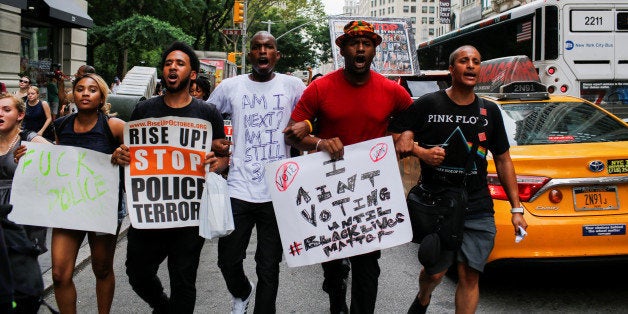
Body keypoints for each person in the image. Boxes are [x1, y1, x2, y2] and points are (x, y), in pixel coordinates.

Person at [283, 20, 413, 314]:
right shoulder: (320, 88)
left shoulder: (392, 91)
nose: (360, 48)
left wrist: (407, 134)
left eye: (367, 43)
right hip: (330, 191)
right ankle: (336, 301)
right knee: (333, 268)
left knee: (368, 267)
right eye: (354, 43)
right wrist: (320, 143)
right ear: (342, 49)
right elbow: (293, 132)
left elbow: (413, 119)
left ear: (374, 50)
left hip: (370, 192)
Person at [388, 45, 528, 314]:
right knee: (436, 274)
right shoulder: (429, 104)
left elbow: (503, 159)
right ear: (452, 69)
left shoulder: (490, 111)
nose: (471, 66)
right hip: (437, 204)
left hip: (477, 204)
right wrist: (421, 152)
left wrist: (516, 208)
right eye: (464, 61)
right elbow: (393, 135)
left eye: (476, 61)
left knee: (469, 275)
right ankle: (424, 296)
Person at [113, 41, 226, 314]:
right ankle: (162, 307)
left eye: (180, 63)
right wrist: (120, 156)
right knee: (137, 272)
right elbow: (132, 153)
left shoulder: (207, 113)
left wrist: (215, 165)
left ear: (193, 74)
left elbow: (223, 156)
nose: (172, 67)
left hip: (189, 213)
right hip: (150, 212)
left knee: (183, 280)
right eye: (168, 63)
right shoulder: (144, 110)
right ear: (163, 72)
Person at [206, 31, 306, 314]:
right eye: (257, 47)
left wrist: (306, 127)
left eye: (269, 47)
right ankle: (242, 291)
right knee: (227, 260)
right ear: (250, 55)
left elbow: (314, 113)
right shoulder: (230, 86)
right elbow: (206, 113)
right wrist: (216, 140)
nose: (263, 52)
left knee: (268, 266)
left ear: (277, 54)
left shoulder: (293, 85)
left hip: (277, 191)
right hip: (239, 187)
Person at [18, 73, 126, 314]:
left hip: (102, 207)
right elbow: (58, 160)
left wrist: (123, 155)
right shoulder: (62, 124)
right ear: (73, 95)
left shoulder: (114, 126)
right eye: (80, 89)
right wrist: (28, 158)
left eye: (92, 89)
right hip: (69, 206)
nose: (85, 93)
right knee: (59, 273)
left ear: (101, 98)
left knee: (102, 268)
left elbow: (137, 158)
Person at [0, 93, 50, 313]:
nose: (0, 114)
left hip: (22, 214)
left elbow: (59, 164)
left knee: (21, 268)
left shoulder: (29, 140)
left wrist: (31, 162)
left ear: (20, 115)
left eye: (6, 109)